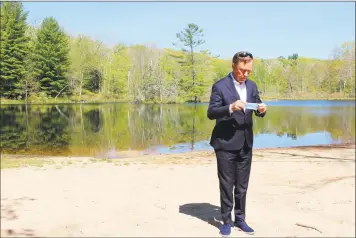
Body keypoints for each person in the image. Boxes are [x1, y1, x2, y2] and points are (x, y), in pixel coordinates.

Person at [207, 51, 267, 237]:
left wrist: (262, 110)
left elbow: (256, 106)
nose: (245, 74)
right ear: (233, 66)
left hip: (246, 143)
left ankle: (240, 219)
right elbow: (211, 112)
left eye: (248, 71)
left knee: (242, 185)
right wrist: (230, 107)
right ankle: (226, 221)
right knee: (227, 184)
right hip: (225, 143)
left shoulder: (252, 86)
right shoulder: (220, 86)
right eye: (242, 70)